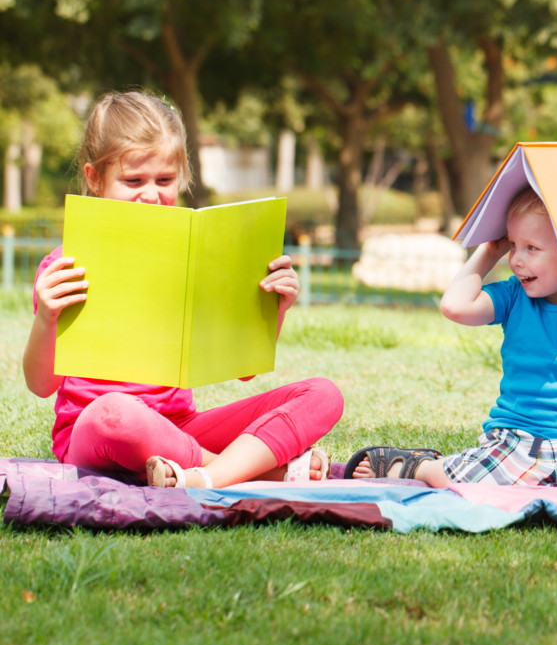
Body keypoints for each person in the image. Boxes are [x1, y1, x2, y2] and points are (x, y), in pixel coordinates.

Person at [23, 91, 344, 489]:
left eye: (165, 180)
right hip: (100, 432)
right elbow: (40, 386)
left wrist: (274, 307)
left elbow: (245, 372)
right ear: (94, 178)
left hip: (181, 429)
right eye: (133, 180)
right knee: (115, 414)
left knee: (323, 394)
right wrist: (46, 317)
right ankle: (253, 472)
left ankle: (203, 475)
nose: (151, 194)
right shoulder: (66, 264)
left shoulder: (200, 261)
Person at [348, 187, 557, 492]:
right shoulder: (513, 296)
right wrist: (488, 253)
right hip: (517, 442)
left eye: (531, 248)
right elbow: (454, 306)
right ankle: (418, 467)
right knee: (463, 484)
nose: (516, 259)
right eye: (512, 245)